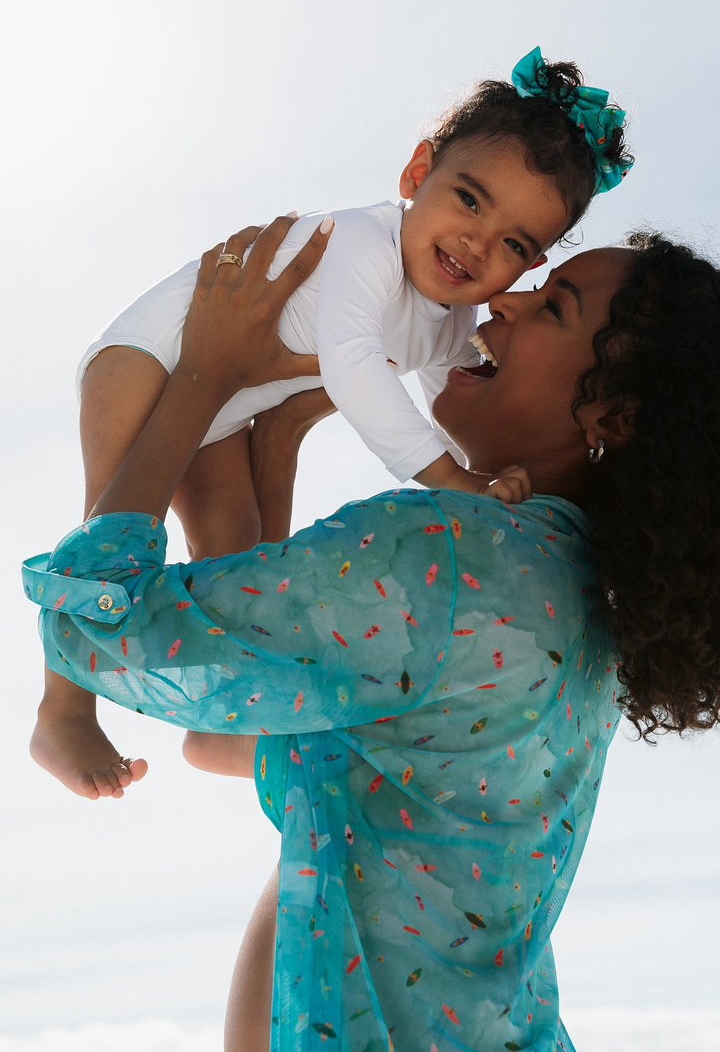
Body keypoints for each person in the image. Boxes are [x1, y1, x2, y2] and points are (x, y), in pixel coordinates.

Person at [23, 217, 720, 1052]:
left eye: (554, 307)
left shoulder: (457, 557)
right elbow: (223, 734)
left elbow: (98, 620)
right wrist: (274, 448)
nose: (502, 302)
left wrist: (203, 377)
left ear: (613, 413)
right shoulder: (577, 609)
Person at [29, 45, 633, 800]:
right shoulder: (364, 244)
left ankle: (224, 715)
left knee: (235, 538)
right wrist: (454, 480)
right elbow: (352, 365)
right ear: (417, 175)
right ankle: (62, 708)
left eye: (516, 244)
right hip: (144, 362)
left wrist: (472, 476)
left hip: (224, 405)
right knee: (107, 531)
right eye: (469, 200)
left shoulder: (455, 317)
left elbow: (452, 400)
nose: (477, 243)